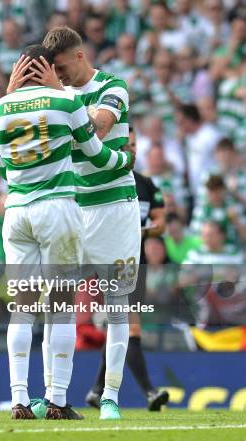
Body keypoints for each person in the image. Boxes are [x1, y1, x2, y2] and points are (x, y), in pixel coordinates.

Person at [0, 44, 133, 420]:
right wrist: (127, 158)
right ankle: (55, 399)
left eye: (63, 66)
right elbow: (98, 149)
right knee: (61, 305)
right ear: (45, 69)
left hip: (32, 209)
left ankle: (30, 399)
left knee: (27, 307)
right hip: (63, 208)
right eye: (53, 68)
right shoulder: (63, 101)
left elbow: (4, 170)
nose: (61, 73)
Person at [85, 127, 170, 411]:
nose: (130, 147)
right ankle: (149, 392)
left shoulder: (146, 184)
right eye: (126, 143)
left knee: (118, 328)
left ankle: (98, 390)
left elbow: (161, 223)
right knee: (130, 328)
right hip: (113, 261)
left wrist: (143, 230)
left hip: (138, 261)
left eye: (134, 144)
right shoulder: (105, 181)